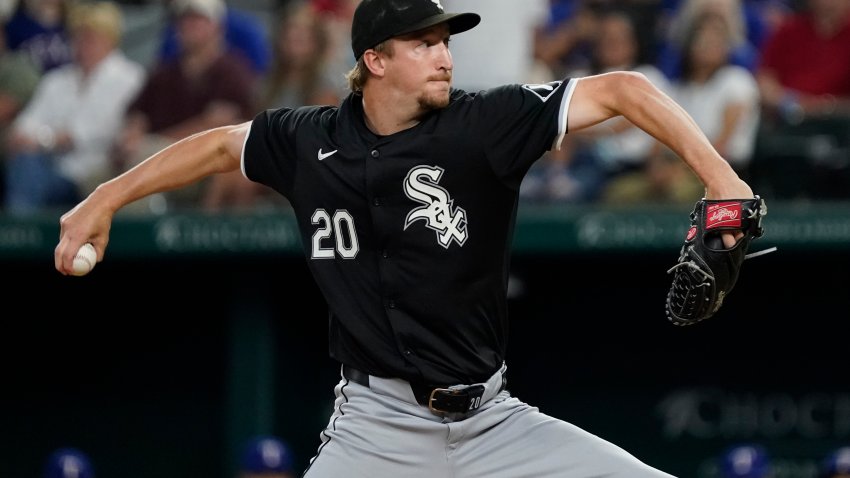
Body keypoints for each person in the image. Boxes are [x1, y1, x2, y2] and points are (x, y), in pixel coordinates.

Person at [54, 0, 756, 476]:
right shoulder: (307, 139)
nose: (445, 55)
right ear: (376, 60)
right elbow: (215, 148)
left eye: (446, 41)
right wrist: (106, 196)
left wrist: (723, 180)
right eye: (424, 44)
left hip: (494, 424)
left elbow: (627, 89)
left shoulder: (482, 125)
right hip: (374, 428)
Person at [3, 0, 145, 215]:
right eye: (78, 36)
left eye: (91, 37)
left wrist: (42, 140)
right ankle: (21, 237)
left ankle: (20, 235)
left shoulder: (129, 78)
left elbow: (90, 132)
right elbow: (23, 128)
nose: (83, 43)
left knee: (30, 168)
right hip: (54, 171)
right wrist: (39, 140)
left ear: (110, 39)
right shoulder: (57, 80)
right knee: (25, 163)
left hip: (98, 175)